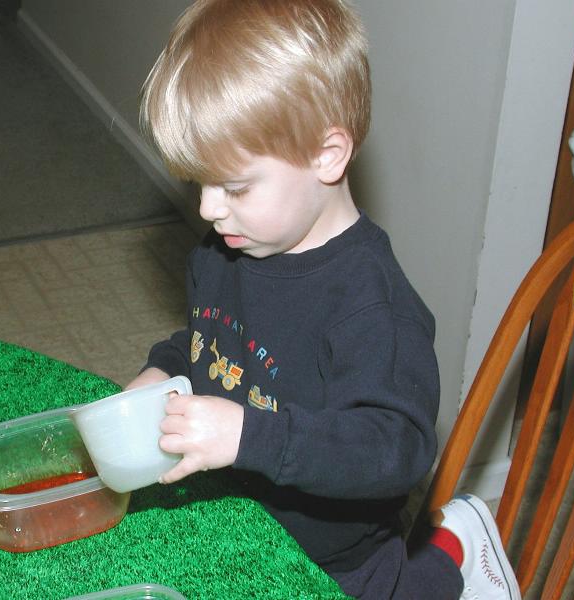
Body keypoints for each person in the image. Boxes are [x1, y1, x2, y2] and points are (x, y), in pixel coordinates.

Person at [126, 1, 521, 598]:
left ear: (327, 156)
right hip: (239, 522)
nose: (207, 208)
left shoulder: (373, 308)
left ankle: (452, 553)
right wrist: (163, 372)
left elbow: (395, 450)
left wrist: (248, 436)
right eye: (199, 182)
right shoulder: (223, 250)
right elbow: (211, 343)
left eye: (234, 186)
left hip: (338, 564)